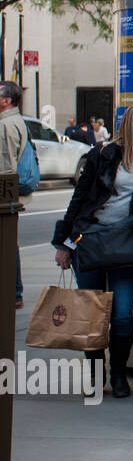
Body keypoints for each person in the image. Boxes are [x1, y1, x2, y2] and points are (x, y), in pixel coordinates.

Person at [53, 103, 133, 397]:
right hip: (90, 241)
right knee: (92, 315)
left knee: (121, 315)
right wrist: (64, 244)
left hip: (126, 243)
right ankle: (95, 375)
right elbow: (79, 200)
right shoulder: (102, 155)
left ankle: (119, 374)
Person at [1, 82, 31, 308]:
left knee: (7, 243)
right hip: (10, 196)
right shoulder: (16, 121)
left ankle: (14, 292)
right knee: (9, 243)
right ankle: (15, 292)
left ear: (6, 100)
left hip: (5, 196)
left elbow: (5, 167)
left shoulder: (6, 125)